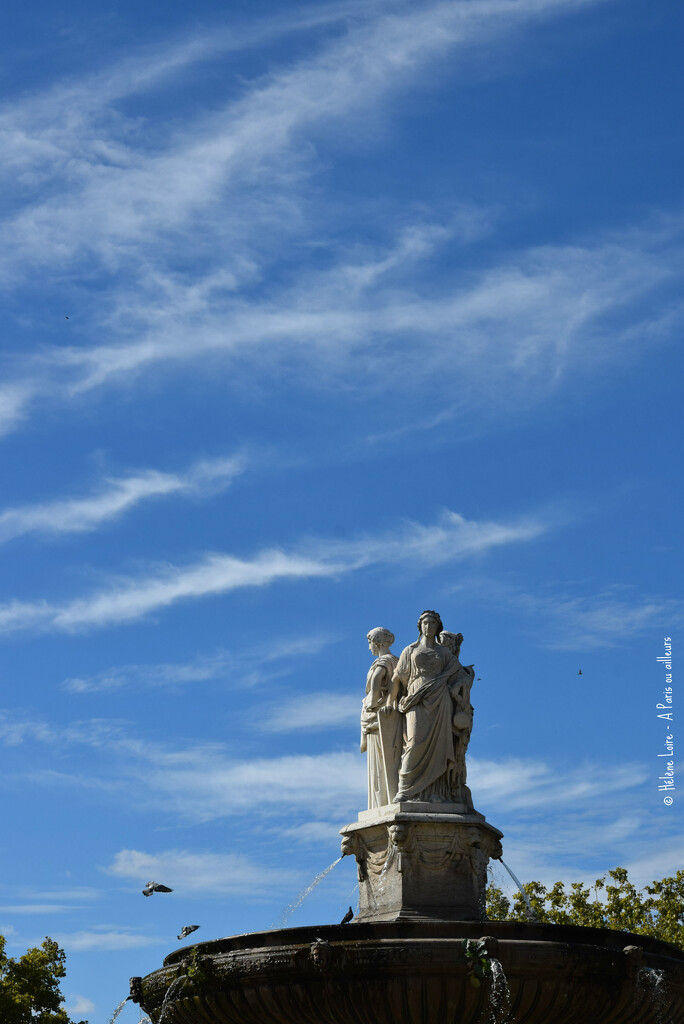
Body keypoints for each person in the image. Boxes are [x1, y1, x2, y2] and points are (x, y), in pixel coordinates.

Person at [387, 610, 463, 803]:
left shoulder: (444, 653)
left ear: (438, 627)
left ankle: (434, 792)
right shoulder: (410, 650)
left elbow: (459, 673)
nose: (429, 627)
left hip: (440, 700)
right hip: (416, 697)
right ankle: (405, 789)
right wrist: (390, 700)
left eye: (432, 624)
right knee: (414, 742)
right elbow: (397, 678)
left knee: (439, 746)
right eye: (425, 623)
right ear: (420, 627)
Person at [360, 627, 401, 807]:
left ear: (377, 642)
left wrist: (372, 701)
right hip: (393, 716)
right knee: (393, 758)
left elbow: (377, 679)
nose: (369, 647)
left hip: (379, 718)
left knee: (380, 762)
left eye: (370, 642)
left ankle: (381, 802)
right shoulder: (397, 661)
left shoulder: (382, 662)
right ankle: (388, 798)